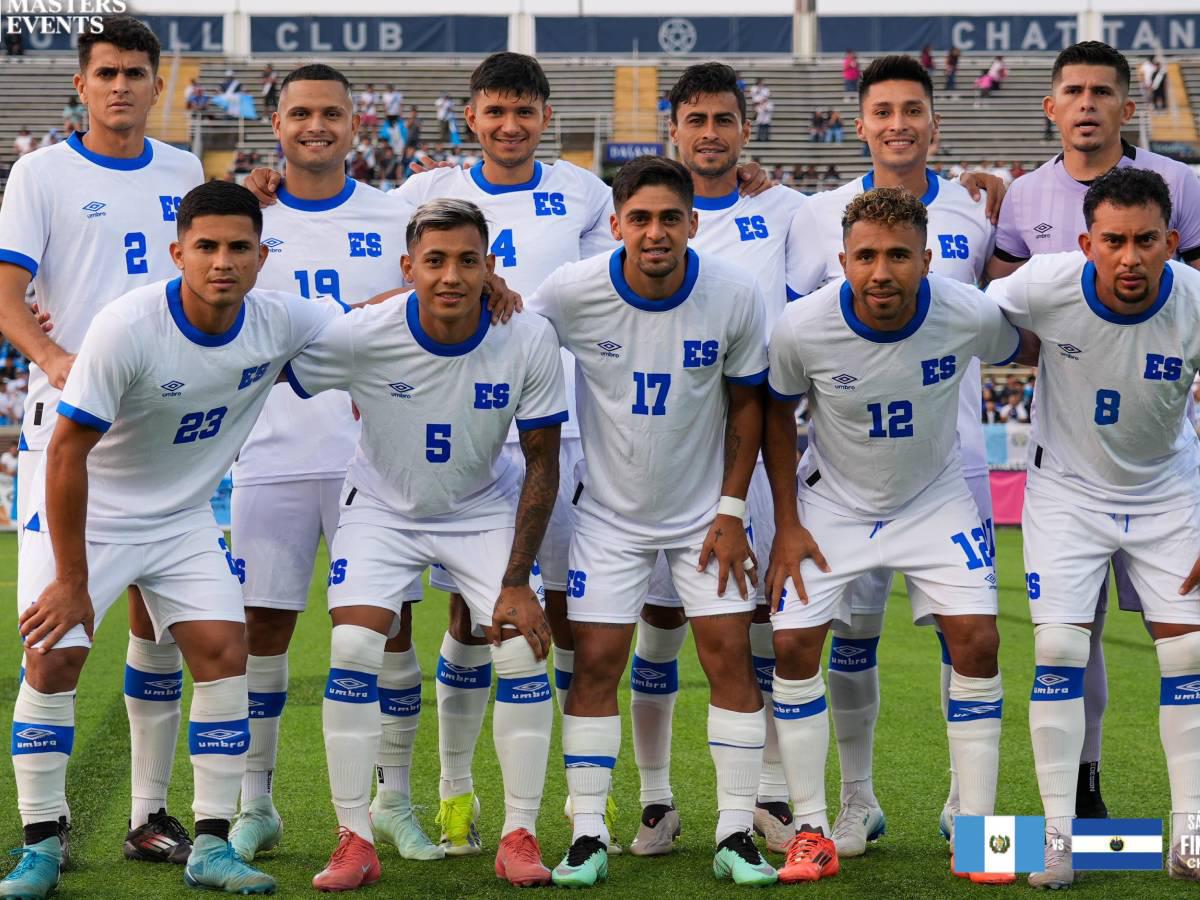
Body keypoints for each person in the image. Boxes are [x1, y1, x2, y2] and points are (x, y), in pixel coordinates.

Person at [7, 179, 342, 897]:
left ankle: (212, 845)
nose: (223, 261)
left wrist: (477, 291)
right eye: (206, 246)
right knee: (55, 656)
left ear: (261, 256)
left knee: (224, 653)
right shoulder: (128, 326)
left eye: (239, 247)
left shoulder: (282, 320)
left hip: (183, 518)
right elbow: (65, 455)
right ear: (178, 253)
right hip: (91, 514)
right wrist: (70, 581)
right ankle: (39, 843)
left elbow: (375, 321)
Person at [283, 197, 567, 890]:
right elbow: (280, 358)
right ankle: (354, 837)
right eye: (434, 261)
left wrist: (516, 581)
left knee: (519, 647)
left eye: (467, 261)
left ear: (490, 267)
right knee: (354, 647)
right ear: (408, 267)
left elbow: (543, 461)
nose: (451, 276)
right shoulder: (364, 333)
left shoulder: (527, 336)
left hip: (481, 504)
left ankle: (519, 834)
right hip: (382, 506)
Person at [765, 186, 1026, 885]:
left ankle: (978, 831)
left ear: (927, 260)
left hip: (934, 499)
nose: (882, 272)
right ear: (842, 261)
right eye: (866, 257)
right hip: (834, 504)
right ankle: (814, 829)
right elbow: (775, 414)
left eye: (900, 256)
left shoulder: (967, 310)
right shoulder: (802, 325)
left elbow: (1027, 346)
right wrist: (786, 523)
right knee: (792, 644)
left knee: (979, 641)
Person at [530, 156, 776, 888]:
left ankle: (735, 833)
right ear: (615, 225)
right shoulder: (571, 291)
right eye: (640, 218)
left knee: (730, 659)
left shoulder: (734, 293)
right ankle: (587, 833)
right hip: (609, 517)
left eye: (671, 217)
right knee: (596, 665)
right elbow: (504, 331)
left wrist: (732, 510)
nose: (655, 232)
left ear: (694, 223)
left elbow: (749, 404)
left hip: (705, 516)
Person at [0, 14, 206, 879]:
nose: (121, 85)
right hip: (71, 432)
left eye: (135, 72)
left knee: (162, 634)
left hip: (169, 434)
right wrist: (55, 359)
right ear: (80, 85)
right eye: (106, 72)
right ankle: (41, 834)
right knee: (55, 645)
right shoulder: (40, 172)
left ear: (158, 84)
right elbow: (7, 294)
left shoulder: (184, 171)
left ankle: (149, 816)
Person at [224, 63, 438, 868]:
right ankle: (255, 803)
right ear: (276, 124)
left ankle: (395, 801)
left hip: (373, 464)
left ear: (357, 124)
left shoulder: (395, 216)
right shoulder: (247, 216)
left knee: (390, 634)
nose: (316, 126)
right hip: (269, 452)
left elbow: (429, 306)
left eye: (331, 114)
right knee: (262, 634)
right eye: (300, 113)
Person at [795, 54, 1003, 860]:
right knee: (852, 637)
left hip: (953, 459)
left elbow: (1007, 317)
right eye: (882, 111)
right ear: (860, 124)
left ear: (934, 123)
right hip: (847, 469)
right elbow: (800, 333)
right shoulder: (815, 215)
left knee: (968, 637)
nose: (897, 124)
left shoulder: (976, 210)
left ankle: (965, 810)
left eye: (912, 110)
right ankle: (856, 803)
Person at [988, 38, 1200, 824]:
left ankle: (1191, 830)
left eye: (1147, 241)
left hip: (1166, 486)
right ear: (1085, 245)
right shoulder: (1041, 278)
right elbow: (965, 319)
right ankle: (1060, 829)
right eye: (1113, 242)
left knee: (1188, 651)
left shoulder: (1192, 286)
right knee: (1058, 648)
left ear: (1172, 241)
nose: (1130, 256)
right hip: (1068, 487)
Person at [632, 61, 825, 859]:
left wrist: (983, 191)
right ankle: (656, 801)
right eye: (696, 120)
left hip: (758, 446)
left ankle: (768, 796)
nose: (710, 134)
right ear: (672, 127)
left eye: (724, 120)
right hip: (658, 451)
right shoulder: (637, 209)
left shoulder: (789, 211)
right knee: (659, 623)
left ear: (747, 128)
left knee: (761, 621)